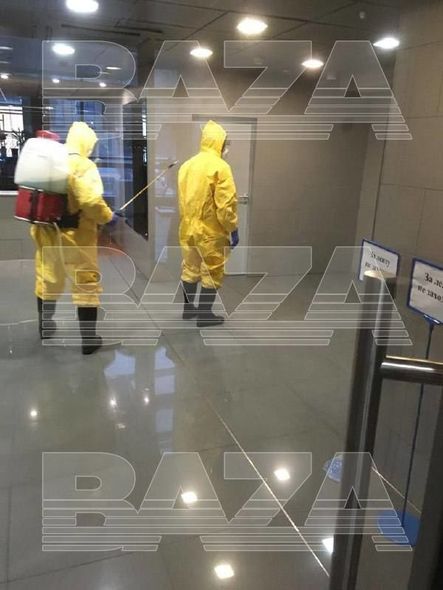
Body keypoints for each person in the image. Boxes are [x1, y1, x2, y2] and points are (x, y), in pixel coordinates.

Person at [32, 122, 119, 355]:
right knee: (86, 284)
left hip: (47, 233)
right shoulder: (83, 165)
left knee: (47, 279)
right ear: (86, 143)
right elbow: (90, 201)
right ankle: (89, 340)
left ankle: (45, 327)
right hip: (76, 238)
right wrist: (108, 217)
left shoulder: (50, 160)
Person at [178, 120, 239, 327]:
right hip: (211, 230)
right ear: (219, 142)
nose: (226, 147)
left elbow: (182, 199)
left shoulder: (187, 165)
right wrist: (232, 228)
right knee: (212, 270)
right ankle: (205, 315)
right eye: (225, 143)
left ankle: (188, 310)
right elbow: (225, 206)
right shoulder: (221, 167)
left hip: (187, 228)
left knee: (190, 268)